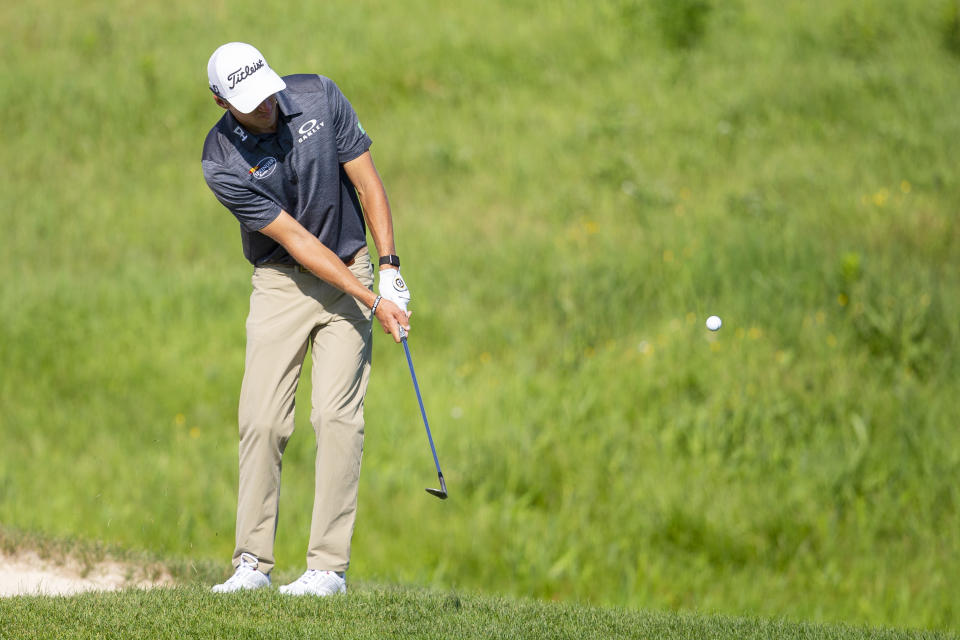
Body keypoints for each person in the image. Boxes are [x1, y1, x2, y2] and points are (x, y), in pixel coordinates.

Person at [200, 42, 411, 596]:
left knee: (336, 419)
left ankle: (326, 570)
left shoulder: (319, 95)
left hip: (351, 268)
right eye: (248, 101)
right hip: (282, 282)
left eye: (266, 91)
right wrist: (372, 301)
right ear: (219, 100)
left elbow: (367, 182)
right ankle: (252, 565)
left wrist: (387, 270)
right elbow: (295, 239)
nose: (264, 106)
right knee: (262, 421)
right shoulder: (220, 160)